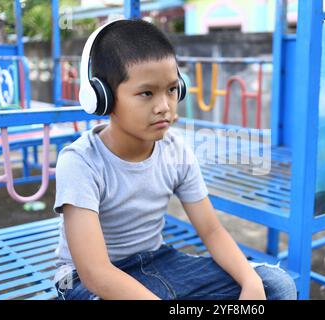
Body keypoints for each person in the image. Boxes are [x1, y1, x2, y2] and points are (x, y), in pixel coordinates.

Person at [53, 19, 297, 300]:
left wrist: (250, 282)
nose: (164, 107)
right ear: (102, 98)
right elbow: (96, 274)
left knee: (275, 285)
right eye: (146, 93)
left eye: (171, 90)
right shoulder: (80, 162)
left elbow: (212, 230)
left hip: (158, 262)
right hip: (86, 281)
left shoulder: (175, 150)